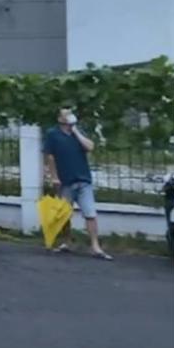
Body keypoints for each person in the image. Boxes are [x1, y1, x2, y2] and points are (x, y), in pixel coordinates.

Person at [43, 108, 112, 260]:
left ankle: (95, 246)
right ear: (59, 118)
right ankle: (67, 242)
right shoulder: (53, 134)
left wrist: (75, 131)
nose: (69, 116)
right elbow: (50, 156)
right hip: (65, 181)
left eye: (70, 114)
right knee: (64, 215)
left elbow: (90, 147)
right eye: (65, 114)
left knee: (90, 213)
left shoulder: (78, 133)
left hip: (83, 180)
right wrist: (54, 177)